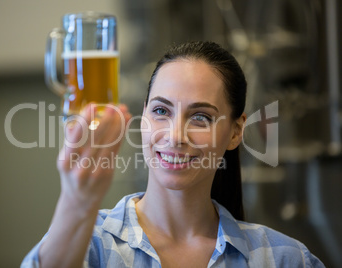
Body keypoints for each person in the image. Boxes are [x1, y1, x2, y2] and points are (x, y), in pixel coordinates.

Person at [21, 41, 324, 267]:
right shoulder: (89, 246)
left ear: (235, 131)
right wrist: (77, 200)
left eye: (201, 117)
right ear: (144, 116)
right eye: (161, 111)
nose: (175, 136)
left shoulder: (286, 259)